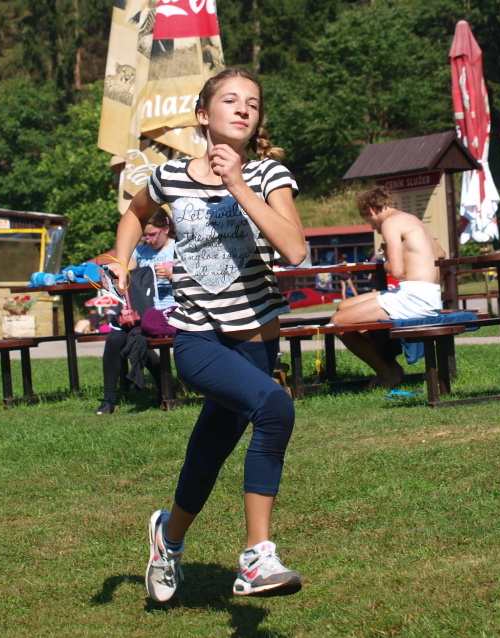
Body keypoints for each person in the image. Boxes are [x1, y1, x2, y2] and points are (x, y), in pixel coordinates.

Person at [107, 67, 307, 602]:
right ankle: (257, 557)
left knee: (208, 454)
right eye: (231, 100)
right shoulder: (170, 176)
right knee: (276, 408)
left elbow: (295, 250)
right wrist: (122, 260)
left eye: (253, 104)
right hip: (198, 339)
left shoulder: (268, 175)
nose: (243, 109)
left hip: (257, 340)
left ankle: (167, 539)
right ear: (203, 114)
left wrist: (238, 182)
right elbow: (135, 213)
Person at [330, 186, 446, 389]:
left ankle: (387, 374)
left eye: (368, 220)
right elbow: (441, 252)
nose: (372, 226)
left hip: (414, 297)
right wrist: (402, 251)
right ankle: (390, 366)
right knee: (344, 306)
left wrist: (385, 258)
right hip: (427, 294)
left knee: (337, 322)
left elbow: (396, 271)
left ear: (371, 209)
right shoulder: (411, 219)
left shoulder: (390, 223)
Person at [95, 211, 177, 415]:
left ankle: (166, 388)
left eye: (153, 234)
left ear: (166, 228)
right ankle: (109, 399)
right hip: (143, 312)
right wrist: (113, 271)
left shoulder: (177, 248)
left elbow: (195, 278)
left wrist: (172, 275)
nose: (149, 240)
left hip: (169, 311)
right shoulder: (141, 252)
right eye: (144, 235)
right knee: (115, 338)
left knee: (135, 339)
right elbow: (125, 267)